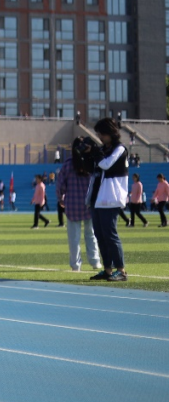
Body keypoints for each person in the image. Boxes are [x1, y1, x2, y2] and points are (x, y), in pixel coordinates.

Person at [89, 118, 129, 282]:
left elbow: (106, 165)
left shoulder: (119, 149)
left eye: (102, 133)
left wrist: (97, 154)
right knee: (100, 235)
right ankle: (107, 269)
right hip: (97, 197)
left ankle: (121, 270)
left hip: (111, 197)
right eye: (98, 133)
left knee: (110, 235)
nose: (99, 136)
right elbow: (93, 168)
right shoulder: (104, 149)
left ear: (111, 132)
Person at [56, 140, 102, 272]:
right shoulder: (91, 163)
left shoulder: (68, 165)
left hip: (72, 204)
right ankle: (95, 261)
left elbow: (61, 185)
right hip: (89, 203)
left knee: (74, 238)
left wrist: (60, 198)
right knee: (91, 235)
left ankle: (76, 265)